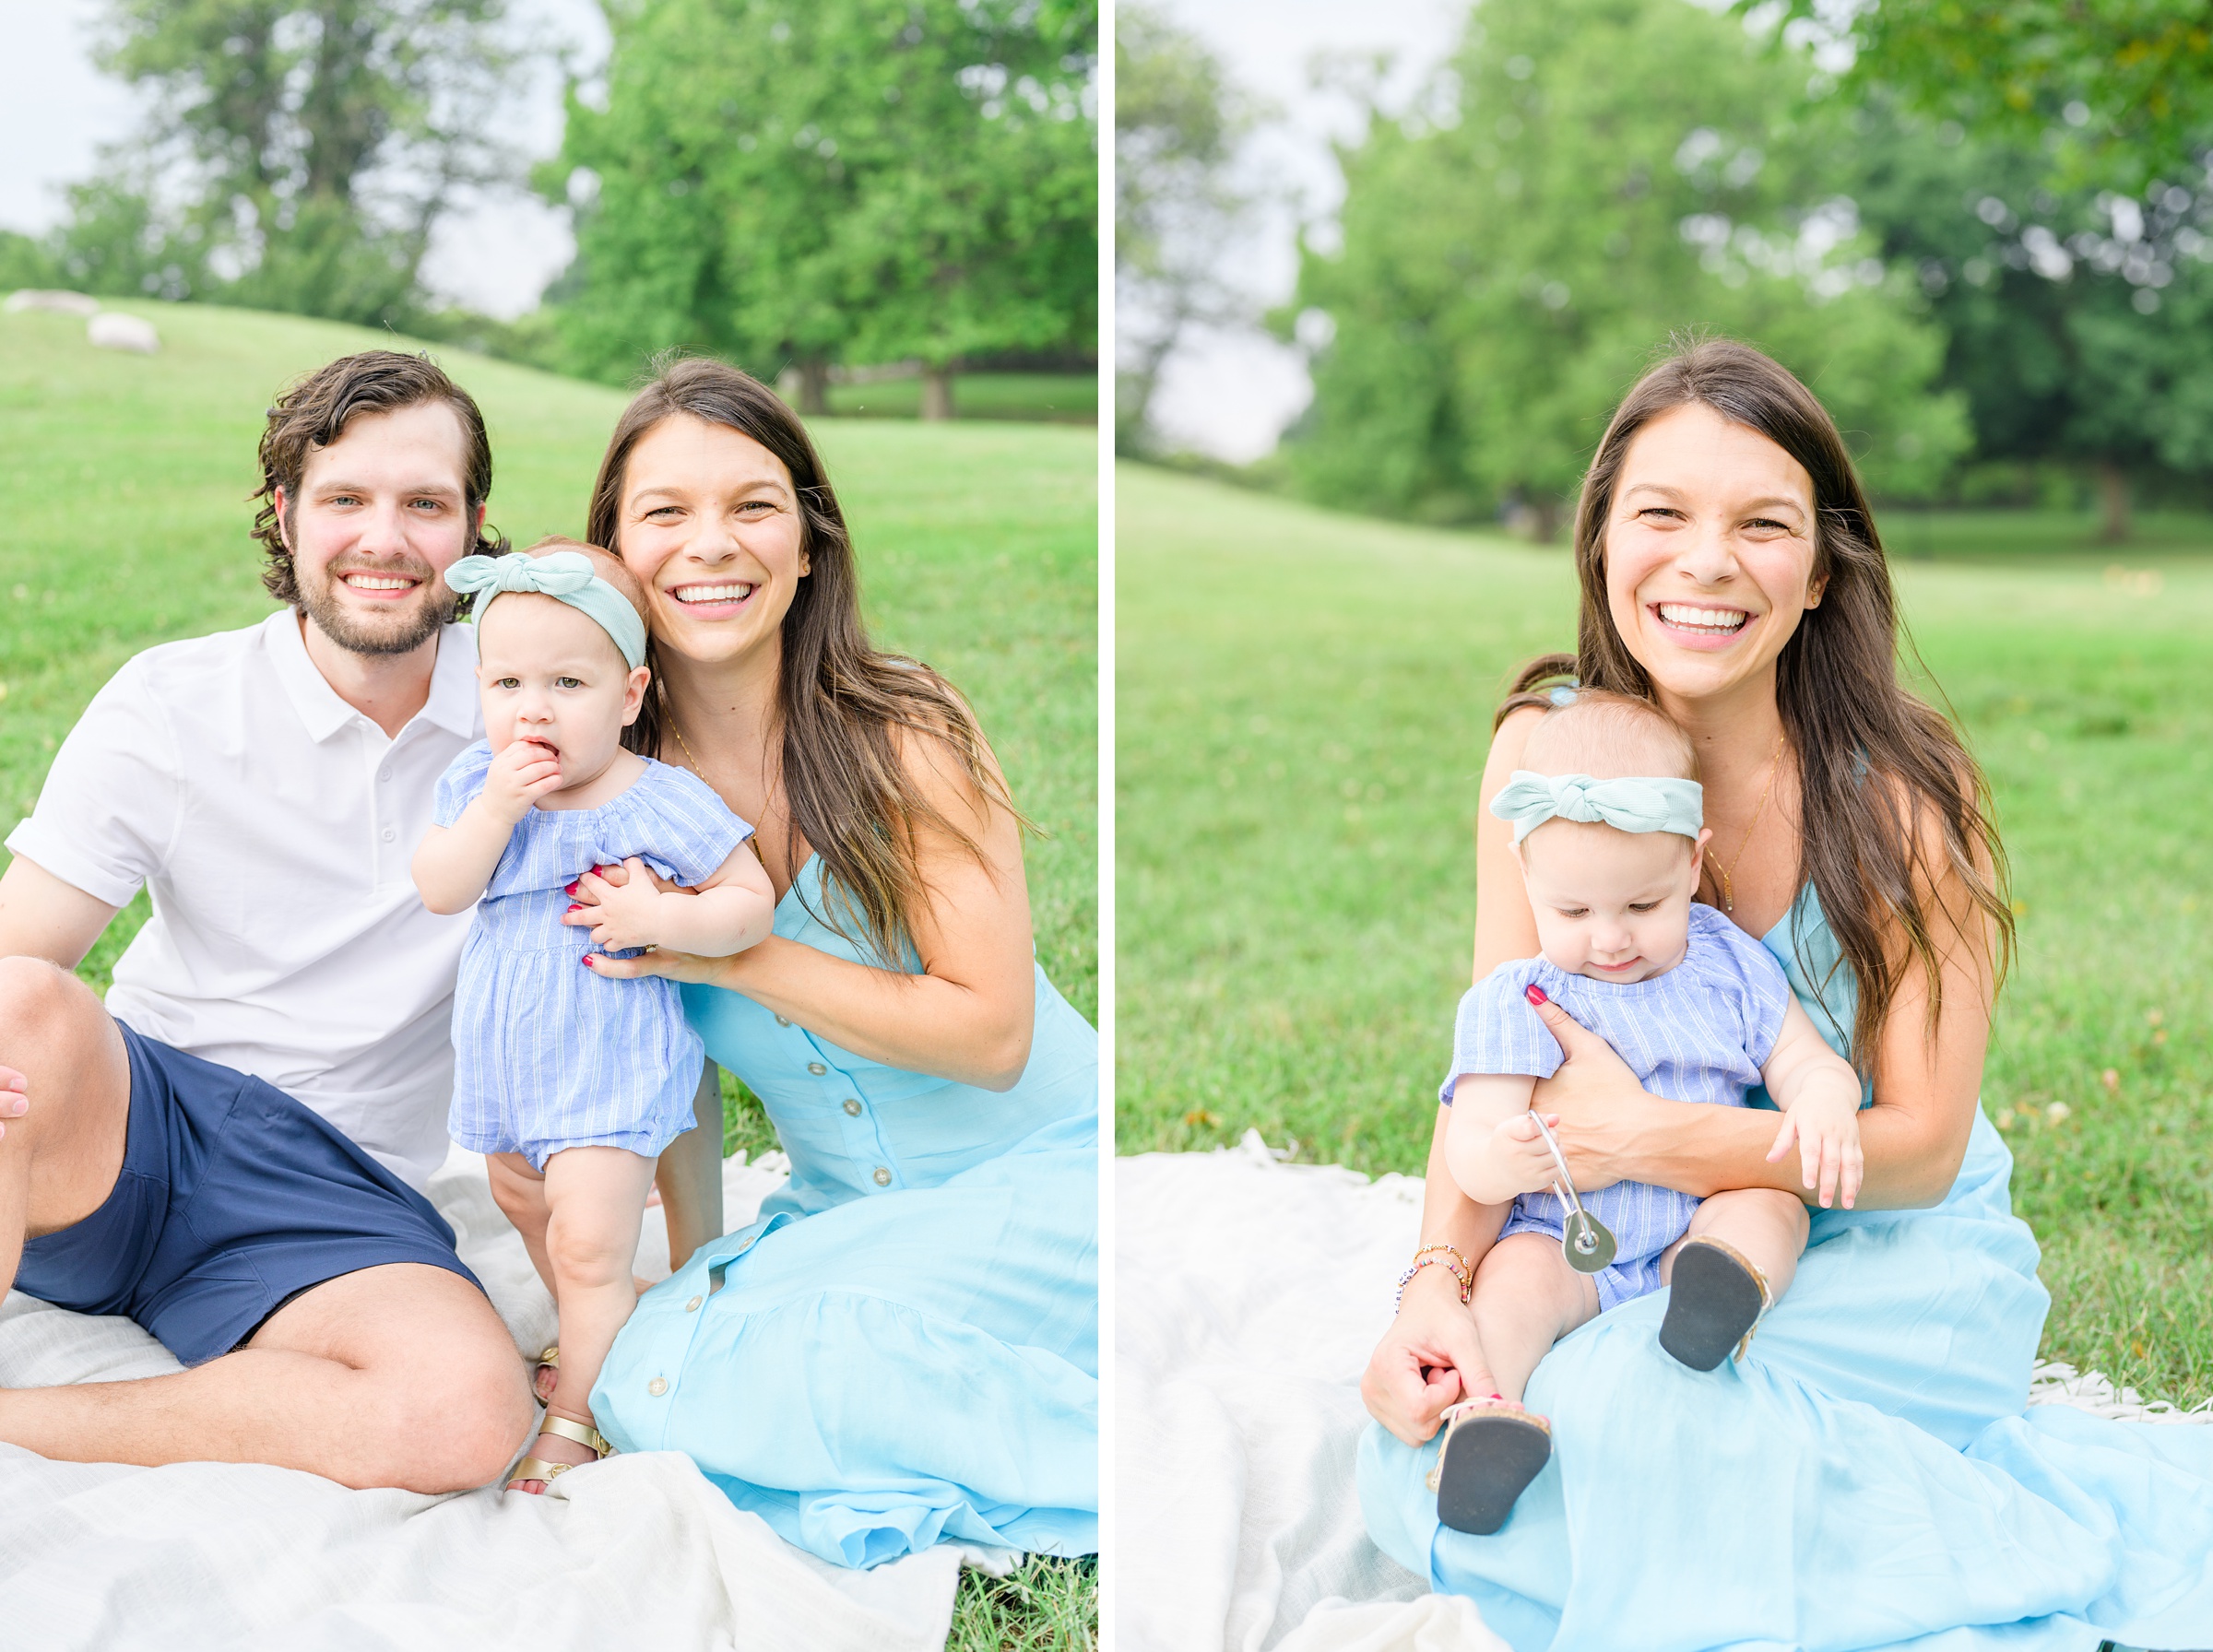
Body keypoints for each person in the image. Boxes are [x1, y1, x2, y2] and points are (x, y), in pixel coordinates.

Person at [1359, 338, 2213, 1644]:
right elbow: (1501, 1042)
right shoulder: (1540, 755)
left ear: (1818, 573)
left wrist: (1649, 1136)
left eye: (1762, 525)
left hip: (1867, 1232)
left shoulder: (1907, 799)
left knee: (1640, 1414)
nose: (1706, 561)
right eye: (1661, 514)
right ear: (1600, 542)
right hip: (1608, 1218)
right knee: (1420, 1430)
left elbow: (1920, 1148)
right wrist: (1434, 1281)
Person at [565, 358, 1098, 1568]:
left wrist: (732, 955)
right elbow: (674, 1075)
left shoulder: (905, 732)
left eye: (755, 506)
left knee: (768, 1367)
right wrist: (697, 1271)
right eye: (665, 514)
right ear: (616, 554)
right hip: (842, 1218)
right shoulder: (617, 794)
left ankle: (1120, 1452)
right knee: (651, 1371)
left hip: (1050, 1177)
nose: (714, 545)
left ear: (809, 544)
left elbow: (991, 1036)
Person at [0, 350, 533, 1492]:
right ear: (287, 516)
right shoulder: (174, 701)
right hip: (134, 1122)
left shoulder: (532, 721)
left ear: (477, 529)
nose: (383, 540)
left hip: (333, 1196)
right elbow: (15, 953)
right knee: (15, 1003)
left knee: (466, 1412)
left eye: (425, 504)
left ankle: (26, 1421)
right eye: (345, 499)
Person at [1428, 690, 1863, 1537]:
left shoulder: (1725, 963)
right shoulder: (1516, 996)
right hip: (1565, 1232)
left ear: (1693, 868)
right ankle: (1486, 1418)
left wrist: (1825, 1094)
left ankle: (1716, 1292)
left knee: (1769, 1203)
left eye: (1642, 906)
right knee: (1516, 1283)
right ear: (1528, 880)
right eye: (1574, 912)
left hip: (1700, 1205)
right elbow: (1469, 1145)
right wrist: (1504, 1157)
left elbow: (1799, 1055)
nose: (1610, 938)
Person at [412, 537, 775, 1493]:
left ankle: (578, 1413)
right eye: (507, 684)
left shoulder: (656, 801)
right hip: (508, 1070)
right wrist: (493, 811)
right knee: (524, 1205)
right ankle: (595, 1329)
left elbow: (749, 901)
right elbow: (441, 887)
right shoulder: (475, 790)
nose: (532, 708)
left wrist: (664, 916)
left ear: (630, 693)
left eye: (568, 682)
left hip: (610, 1068)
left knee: (587, 1240)